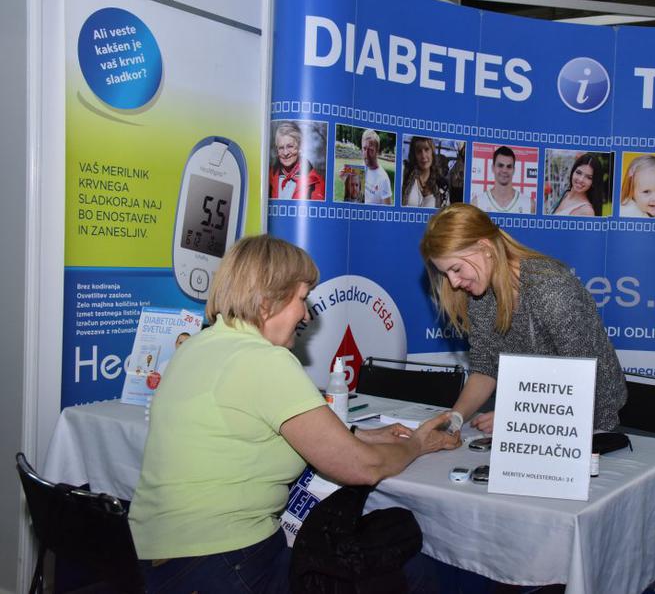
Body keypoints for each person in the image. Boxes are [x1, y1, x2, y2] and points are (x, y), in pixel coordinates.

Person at [130, 235, 460, 593]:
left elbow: (253, 426)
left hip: (162, 561)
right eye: (302, 299)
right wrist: (417, 444)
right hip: (227, 561)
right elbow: (362, 467)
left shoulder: (196, 347)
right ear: (266, 302)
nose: (306, 314)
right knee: (409, 571)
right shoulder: (263, 360)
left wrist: (358, 434)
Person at [419, 203, 626, 433]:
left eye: (456, 269)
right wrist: (455, 419)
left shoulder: (552, 290)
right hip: (534, 423)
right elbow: (485, 368)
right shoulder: (479, 297)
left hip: (596, 429)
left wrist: (519, 416)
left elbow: (584, 379)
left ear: (485, 248)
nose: (453, 282)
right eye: (445, 273)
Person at [269, 122, 325, 201]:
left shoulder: (316, 182)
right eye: (281, 148)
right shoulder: (268, 177)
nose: (285, 153)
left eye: (290, 146)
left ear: (299, 148)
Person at [471, 146, 532, 214]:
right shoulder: (477, 203)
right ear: (493, 168)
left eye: (509, 166)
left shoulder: (529, 204)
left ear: (514, 170)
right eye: (500, 165)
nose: (504, 170)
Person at [402, 136, 444, 208]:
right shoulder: (405, 175)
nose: (423, 156)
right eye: (419, 151)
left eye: (427, 149)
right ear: (414, 155)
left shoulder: (442, 184)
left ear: (432, 152)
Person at [361, 129, 393, 205]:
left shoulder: (383, 179)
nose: (366, 154)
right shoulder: (363, 166)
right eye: (364, 149)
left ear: (377, 151)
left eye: (371, 150)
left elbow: (388, 210)